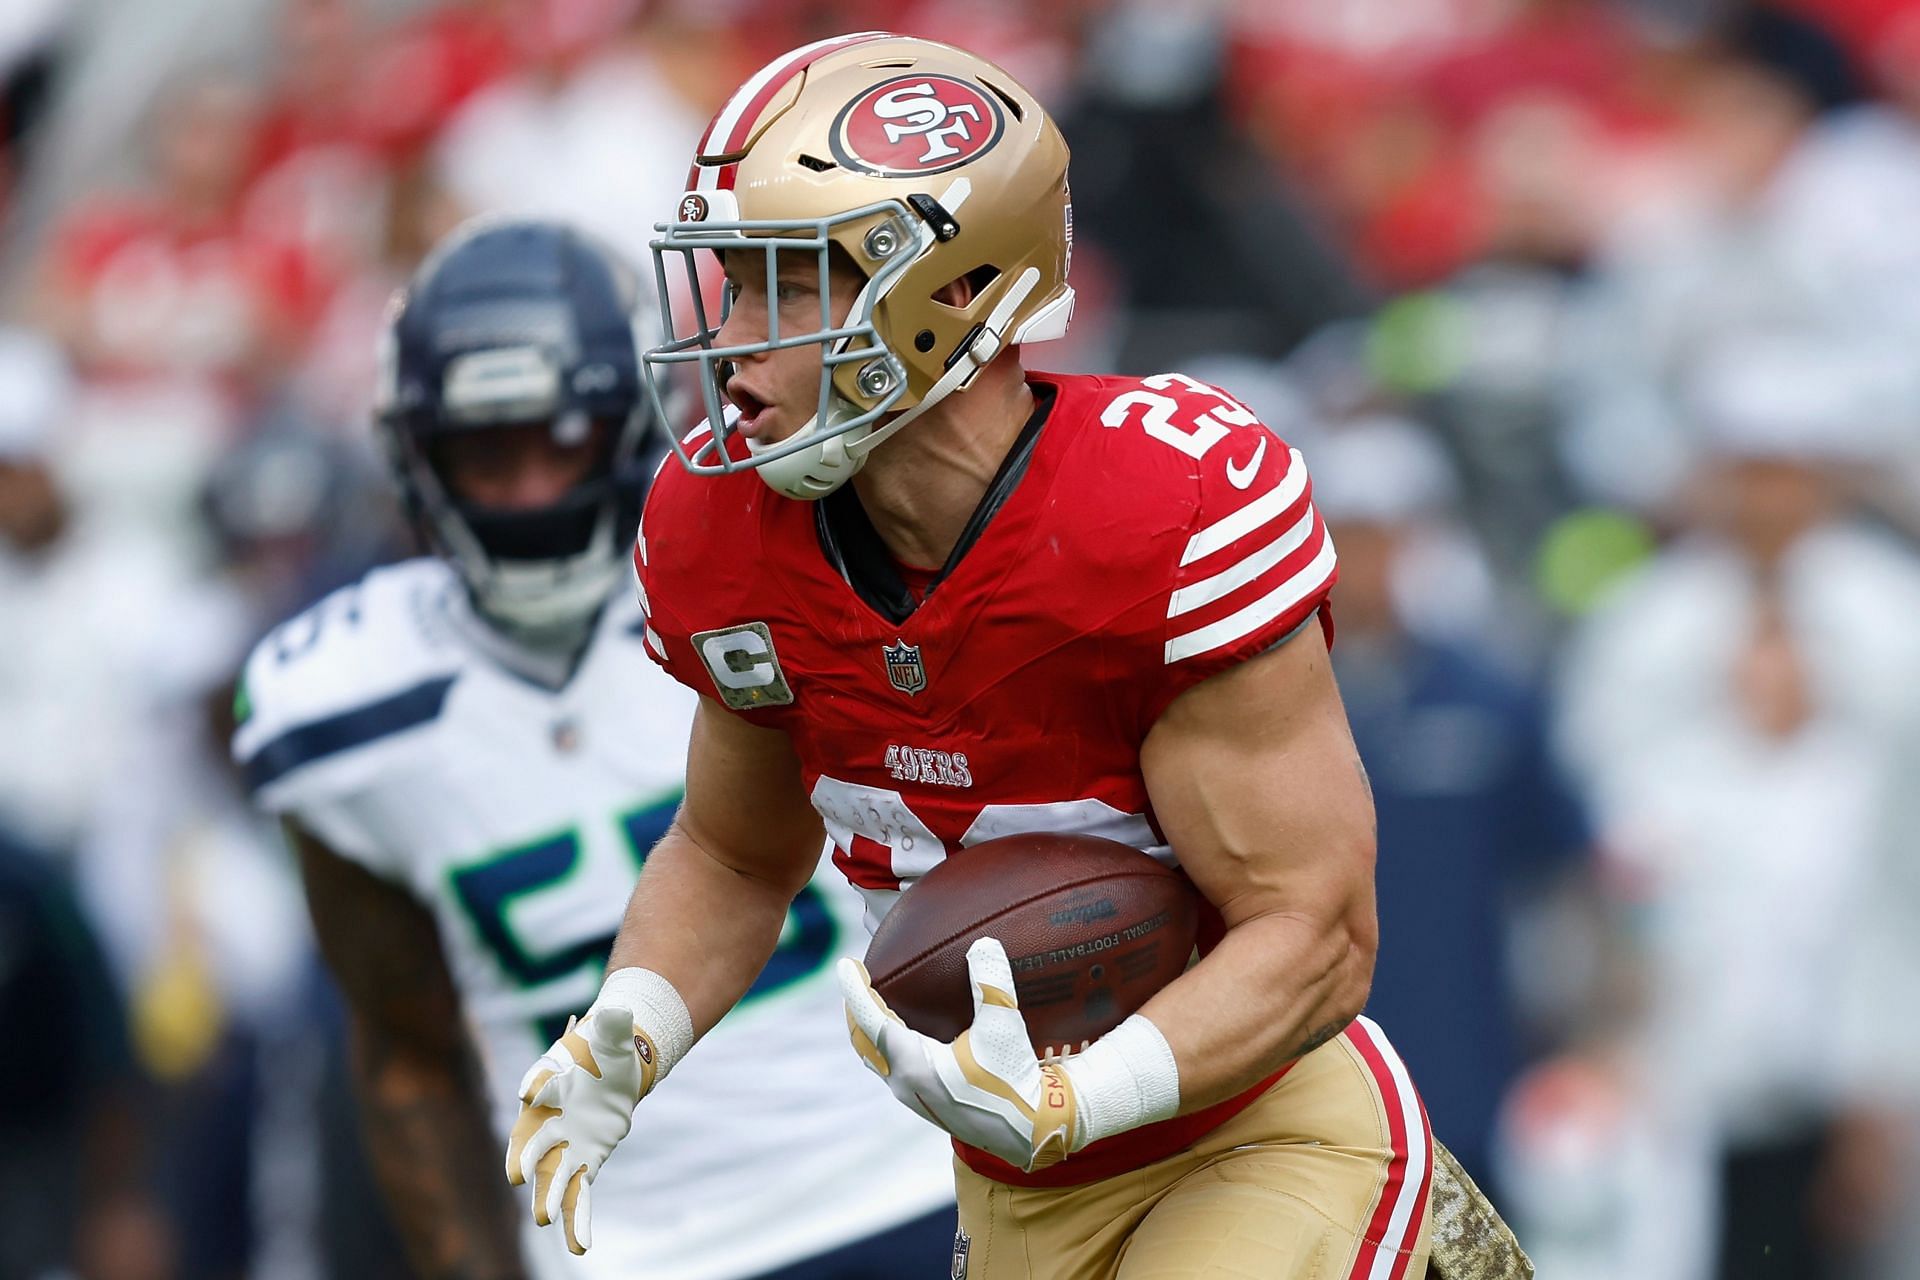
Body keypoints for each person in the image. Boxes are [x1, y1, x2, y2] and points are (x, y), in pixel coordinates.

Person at [504, 35, 1503, 1280]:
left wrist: (1083, 1092)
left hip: (1256, 1134)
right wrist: (631, 1024)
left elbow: (1316, 931)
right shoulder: (728, 540)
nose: (735, 340)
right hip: (1017, 1182)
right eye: (729, 283)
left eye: (788, 284)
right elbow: (734, 851)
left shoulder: (1159, 508)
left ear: (953, 294)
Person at [231, 217, 955, 1280]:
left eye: (559, 436)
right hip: (625, 1248)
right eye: (487, 451)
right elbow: (407, 1051)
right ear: (416, 456)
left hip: (915, 1172)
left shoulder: (785, 567)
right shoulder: (337, 704)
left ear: (627, 419)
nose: (529, 488)